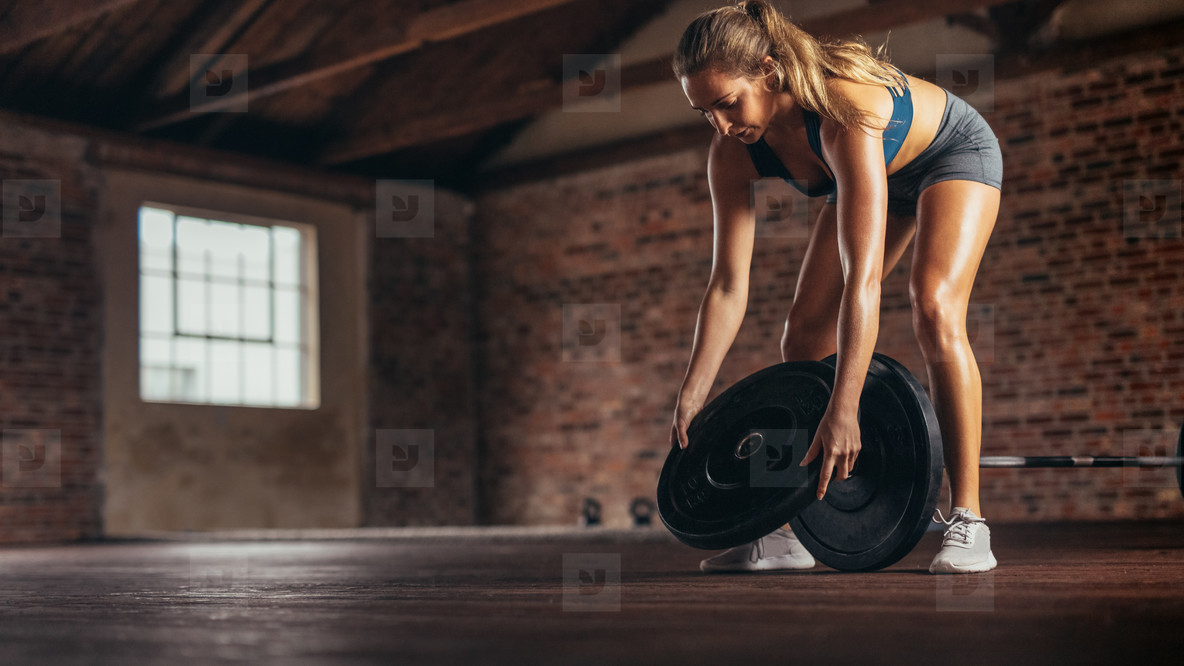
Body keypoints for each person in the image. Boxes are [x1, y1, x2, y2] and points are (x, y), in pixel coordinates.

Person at [668, 0, 1002, 574]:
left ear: (769, 74)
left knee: (933, 306)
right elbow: (727, 285)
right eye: (704, 113)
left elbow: (862, 279)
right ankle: (789, 532)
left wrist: (845, 408)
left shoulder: (842, 115)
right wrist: (694, 390)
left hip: (950, 154)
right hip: (876, 179)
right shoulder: (731, 153)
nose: (720, 125)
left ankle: (970, 520)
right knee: (802, 337)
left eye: (727, 104)